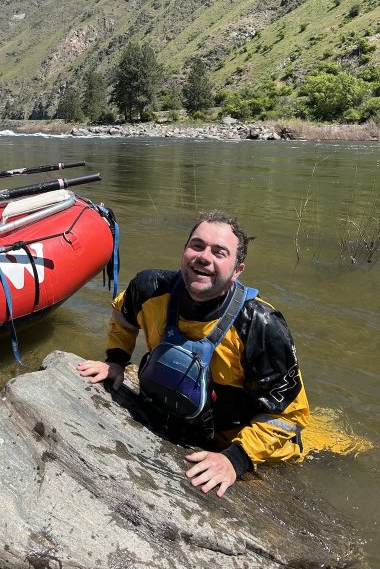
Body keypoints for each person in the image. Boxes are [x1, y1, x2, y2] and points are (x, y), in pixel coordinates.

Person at [77, 210, 310, 497]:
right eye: (197, 246)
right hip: (184, 419)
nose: (204, 256)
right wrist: (115, 360)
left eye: (219, 252)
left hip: (239, 440)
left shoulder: (261, 327)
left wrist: (235, 459)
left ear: (237, 270)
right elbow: (124, 315)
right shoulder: (149, 288)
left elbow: (288, 417)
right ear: (184, 252)